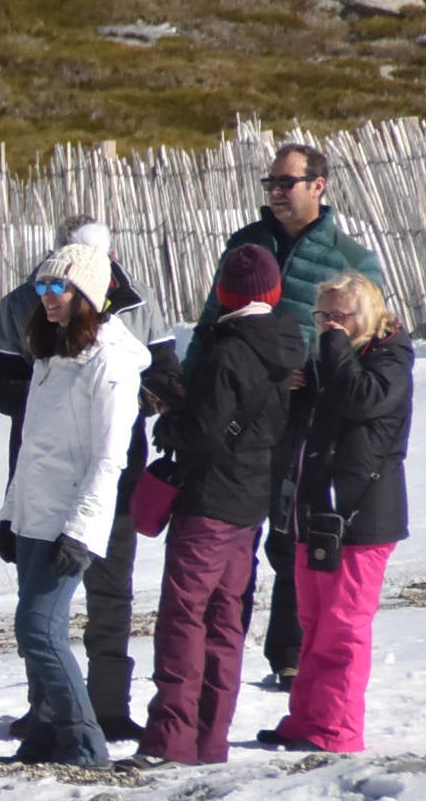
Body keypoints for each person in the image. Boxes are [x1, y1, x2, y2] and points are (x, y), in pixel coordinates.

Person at [204, 144, 387, 692]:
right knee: (230, 530)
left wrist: (315, 371)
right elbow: (212, 320)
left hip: (307, 412)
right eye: (272, 184)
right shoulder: (246, 246)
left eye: (288, 183)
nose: (277, 193)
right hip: (241, 406)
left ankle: (288, 653)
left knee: (292, 533)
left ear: (319, 186)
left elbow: (368, 339)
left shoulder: (350, 258)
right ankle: (219, 651)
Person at [0, 216, 170, 739]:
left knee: (109, 597)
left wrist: (126, 404)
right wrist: (51, 406)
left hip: (110, 486)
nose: (49, 293)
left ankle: (105, 709)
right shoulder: (25, 309)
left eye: (61, 284)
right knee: (36, 613)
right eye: (46, 281)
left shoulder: (135, 309)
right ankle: (46, 712)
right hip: (39, 478)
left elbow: (166, 376)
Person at [130, 243, 304, 768]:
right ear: (272, 292)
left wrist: (170, 424)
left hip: (210, 499)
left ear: (226, 293)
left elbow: (205, 431)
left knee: (185, 619)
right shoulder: (287, 341)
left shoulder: (228, 348)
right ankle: (210, 740)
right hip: (253, 500)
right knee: (228, 621)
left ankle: (171, 740)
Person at [265, 274, 411, 754]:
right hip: (319, 510)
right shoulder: (333, 360)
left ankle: (338, 730)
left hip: (363, 514)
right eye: (321, 316)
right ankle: (307, 719)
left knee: (344, 628)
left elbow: (360, 399)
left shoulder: (390, 359)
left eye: (338, 316)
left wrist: (332, 348)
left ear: (364, 317)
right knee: (313, 623)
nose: (328, 326)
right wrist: (295, 388)